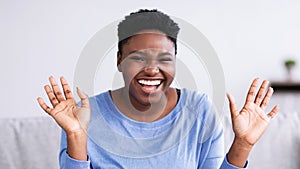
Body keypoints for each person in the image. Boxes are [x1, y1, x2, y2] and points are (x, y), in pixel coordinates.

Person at [37, 9, 279, 169]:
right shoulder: (84, 116)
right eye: (139, 58)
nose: (152, 70)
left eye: (164, 58)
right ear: (119, 60)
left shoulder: (198, 110)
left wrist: (243, 144)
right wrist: (77, 136)